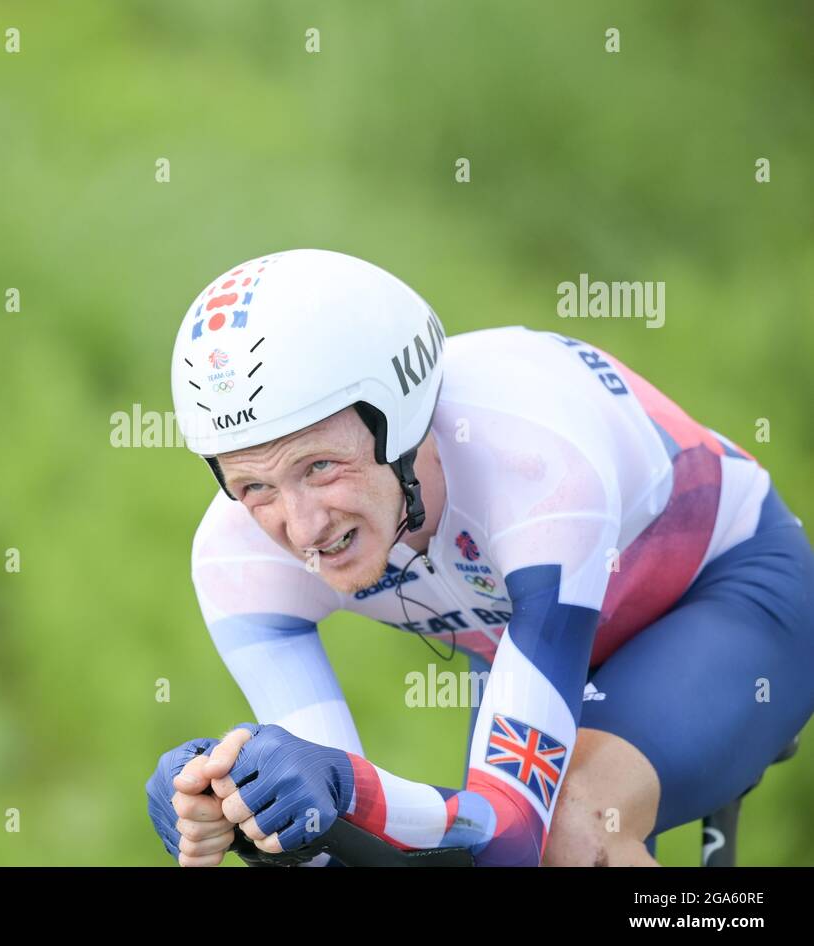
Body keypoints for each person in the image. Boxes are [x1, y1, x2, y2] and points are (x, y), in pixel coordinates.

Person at [145, 249, 814, 866]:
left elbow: (512, 832)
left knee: (573, 831)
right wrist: (249, 809)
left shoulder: (534, 462)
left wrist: (345, 788)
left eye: (320, 467)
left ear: (402, 424)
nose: (303, 527)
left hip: (727, 593)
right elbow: (345, 844)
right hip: (532, 632)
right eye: (254, 487)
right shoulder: (237, 557)